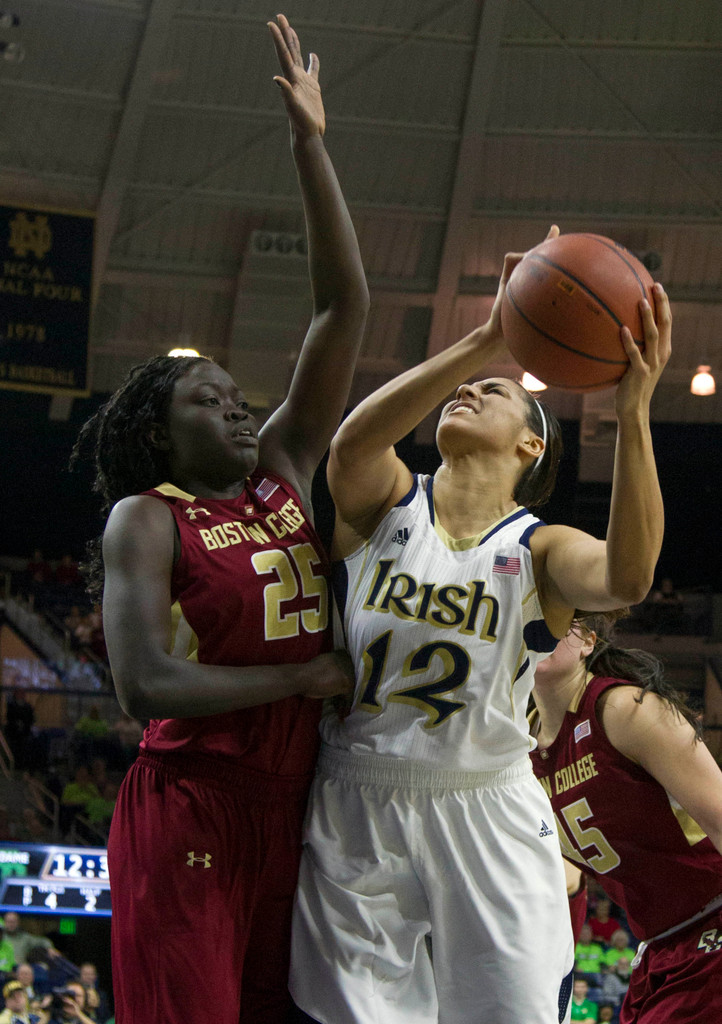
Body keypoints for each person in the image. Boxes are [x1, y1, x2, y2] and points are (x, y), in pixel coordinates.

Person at [289, 228, 671, 1024]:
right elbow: (352, 441)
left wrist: (633, 416)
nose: (468, 392)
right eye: (466, 388)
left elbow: (628, 576)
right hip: (358, 795)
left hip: (486, 802)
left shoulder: (539, 548)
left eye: (494, 391)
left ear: (533, 443)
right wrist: (487, 338)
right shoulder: (386, 504)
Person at [71, 14, 368, 1024]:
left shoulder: (283, 467)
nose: (236, 404)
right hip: (189, 804)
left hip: (290, 812)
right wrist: (304, 675)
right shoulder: (145, 518)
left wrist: (309, 145)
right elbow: (139, 681)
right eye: (207, 398)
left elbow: (342, 309)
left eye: (238, 392)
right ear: (158, 434)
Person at [530, 614, 722, 1023]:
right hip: (657, 945)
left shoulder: (624, 707)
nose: (543, 630)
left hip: (712, 920)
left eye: (558, 622)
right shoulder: (516, 747)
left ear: (588, 642)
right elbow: (565, 878)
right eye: (528, 622)